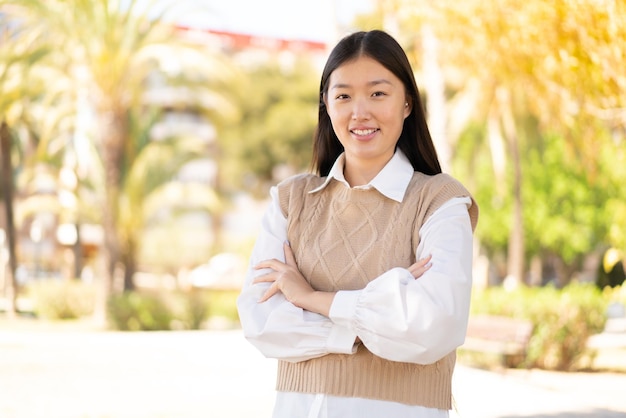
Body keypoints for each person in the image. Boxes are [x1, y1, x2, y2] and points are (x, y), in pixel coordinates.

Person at [237, 29, 479, 418]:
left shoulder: (441, 201)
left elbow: (435, 323)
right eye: (344, 95)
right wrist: (374, 314)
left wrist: (310, 298)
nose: (359, 112)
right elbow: (261, 320)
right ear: (327, 105)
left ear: (407, 104)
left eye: (378, 93)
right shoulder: (290, 201)